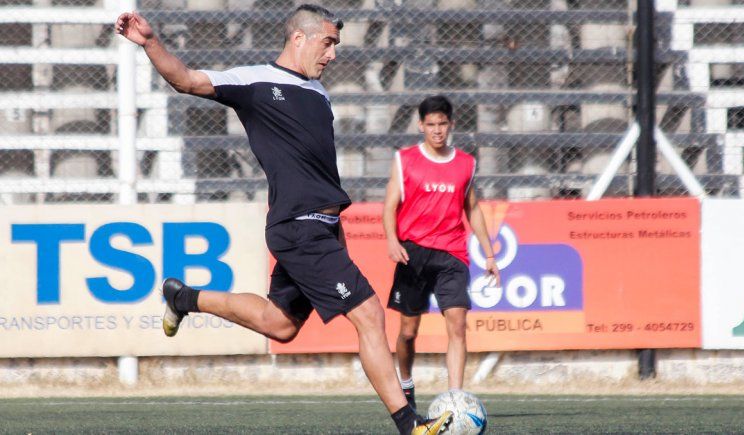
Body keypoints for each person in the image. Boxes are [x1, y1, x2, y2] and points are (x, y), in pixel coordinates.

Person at [115, 5, 452, 434]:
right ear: (299, 38)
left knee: (280, 324)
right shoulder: (254, 81)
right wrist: (150, 42)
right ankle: (410, 425)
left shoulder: (319, 93)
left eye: (335, 45)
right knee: (368, 313)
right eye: (327, 43)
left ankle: (184, 298)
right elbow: (186, 80)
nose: (332, 54)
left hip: (324, 228)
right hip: (299, 226)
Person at [383, 95, 501, 411]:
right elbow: (390, 204)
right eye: (431, 124)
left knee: (458, 325)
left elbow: (472, 208)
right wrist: (392, 239)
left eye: (442, 124)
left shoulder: (465, 163)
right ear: (421, 125)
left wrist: (489, 255)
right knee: (408, 332)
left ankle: (456, 399)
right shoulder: (404, 159)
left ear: (451, 125)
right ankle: (406, 384)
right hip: (413, 253)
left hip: (452, 254)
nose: (437, 130)